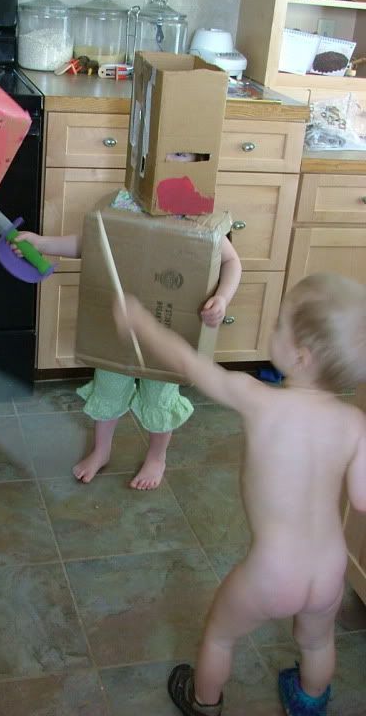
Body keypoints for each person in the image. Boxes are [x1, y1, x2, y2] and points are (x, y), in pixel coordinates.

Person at [113, 272, 366, 716]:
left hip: (272, 571)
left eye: (280, 325)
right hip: (329, 568)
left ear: (301, 357)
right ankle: (309, 703)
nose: (272, 328)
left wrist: (140, 322)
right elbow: (362, 500)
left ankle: (204, 702)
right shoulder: (354, 422)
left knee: (220, 634)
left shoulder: (259, 398)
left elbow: (192, 365)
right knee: (317, 642)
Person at [13, 186, 241, 490]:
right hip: (119, 327)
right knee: (108, 389)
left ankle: (157, 457)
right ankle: (101, 450)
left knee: (158, 399)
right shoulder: (127, 205)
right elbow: (91, 243)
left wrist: (222, 298)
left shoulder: (197, 220)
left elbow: (231, 262)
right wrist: (42, 243)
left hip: (166, 333)